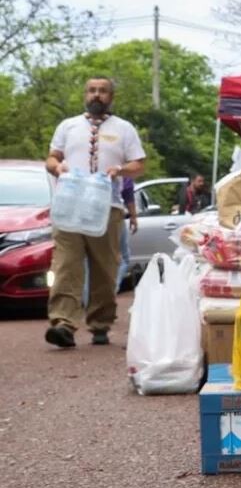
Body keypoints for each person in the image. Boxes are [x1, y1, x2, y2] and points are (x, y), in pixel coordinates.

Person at [45, 76, 145, 348]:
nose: (96, 95)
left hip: (107, 207)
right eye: (92, 90)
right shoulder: (68, 126)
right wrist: (57, 167)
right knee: (66, 265)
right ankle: (63, 324)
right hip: (69, 205)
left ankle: (100, 324)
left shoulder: (124, 129)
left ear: (111, 97)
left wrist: (120, 170)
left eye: (102, 91)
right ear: (85, 95)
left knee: (105, 268)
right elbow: (52, 157)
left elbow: (139, 165)